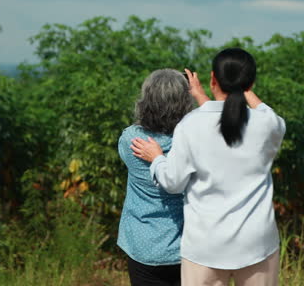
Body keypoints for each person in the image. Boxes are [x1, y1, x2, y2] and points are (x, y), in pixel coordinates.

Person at [131, 48, 286, 286]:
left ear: (213, 78)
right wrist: (238, 88)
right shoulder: (268, 124)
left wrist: (157, 159)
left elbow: (172, 183)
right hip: (257, 243)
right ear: (251, 83)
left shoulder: (190, 126)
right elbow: (251, 112)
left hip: (205, 246)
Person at [118, 68, 208, 286]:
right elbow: (214, 123)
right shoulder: (195, 140)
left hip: (142, 245)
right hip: (187, 247)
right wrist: (200, 95)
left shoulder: (131, 140)